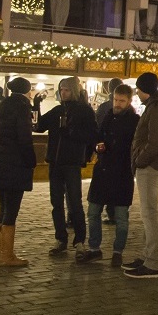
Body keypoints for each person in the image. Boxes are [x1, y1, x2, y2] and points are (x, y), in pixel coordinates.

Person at [36, 76, 97, 258]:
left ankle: (79, 241)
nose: (63, 93)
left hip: (71, 162)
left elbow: (91, 135)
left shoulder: (84, 111)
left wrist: (71, 132)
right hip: (55, 162)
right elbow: (39, 126)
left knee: (75, 202)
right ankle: (60, 238)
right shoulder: (57, 110)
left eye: (67, 90)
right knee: (56, 203)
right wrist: (36, 106)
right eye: (61, 89)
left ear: (74, 91)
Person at [80, 83, 139, 268]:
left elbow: (134, 146)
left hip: (122, 173)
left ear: (129, 101)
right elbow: (99, 135)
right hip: (103, 170)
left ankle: (117, 252)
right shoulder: (108, 116)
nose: (118, 104)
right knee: (93, 211)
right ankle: (94, 248)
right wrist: (99, 144)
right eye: (116, 100)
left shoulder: (134, 120)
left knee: (121, 216)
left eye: (122, 101)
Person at [124, 72, 158, 279]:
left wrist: (140, 159)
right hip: (149, 164)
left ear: (144, 89)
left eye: (138, 88)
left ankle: (152, 262)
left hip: (151, 165)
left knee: (149, 213)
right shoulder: (155, 105)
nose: (136, 92)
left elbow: (156, 141)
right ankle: (147, 256)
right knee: (147, 213)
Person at [0, 77, 35, 267]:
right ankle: (7, 255)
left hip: (1, 158)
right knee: (12, 209)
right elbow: (24, 136)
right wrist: (31, 160)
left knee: (4, 208)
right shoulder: (22, 106)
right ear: (26, 90)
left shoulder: (2, 104)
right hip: (16, 161)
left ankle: (2, 253)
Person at [93, 77, 122, 225]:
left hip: (105, 150)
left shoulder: (104, 106)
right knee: (116, 181)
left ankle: (109, 211)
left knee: (105, 181)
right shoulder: (125, 107)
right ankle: (114, 212)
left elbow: (97, 127)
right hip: (117, 151)